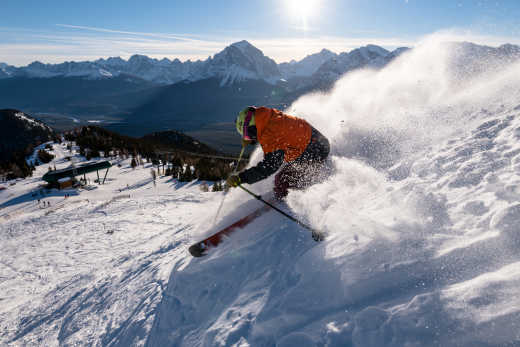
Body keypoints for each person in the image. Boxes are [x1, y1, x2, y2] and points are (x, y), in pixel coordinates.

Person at [226, 106, 330, 200]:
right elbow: (273, 134)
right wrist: (251, 138)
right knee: (285, 167)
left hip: (316, 151)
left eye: (248, 134)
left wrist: (241, 178)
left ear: (252, 127)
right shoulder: (267, 116)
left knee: (281, 181)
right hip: (316, 142)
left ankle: (289, 200)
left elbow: (269, 167)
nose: (250, 137)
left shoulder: (270, 135)